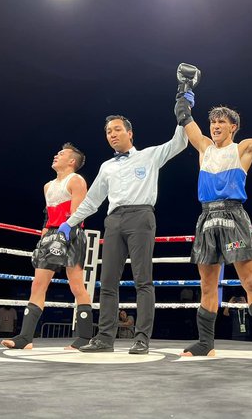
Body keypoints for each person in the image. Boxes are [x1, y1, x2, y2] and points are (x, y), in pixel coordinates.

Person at [177, 65, 252, 361]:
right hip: (206, 218)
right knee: (207, 285)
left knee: (249, 281)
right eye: (213, 121)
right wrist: (185, 88)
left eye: (221, 122)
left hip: (233, 217)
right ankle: (205, 343)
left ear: (233, 127)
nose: (215, 125)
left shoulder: (244, 149)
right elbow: (183, 117)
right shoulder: (203, 146)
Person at [58, 99, 189, 355]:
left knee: (143, 280)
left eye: (117, 129)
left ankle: (141, 339)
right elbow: (92, 201)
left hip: (141, 216)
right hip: (114, 220)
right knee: (107, 282)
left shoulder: (149, 155)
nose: (112, 134)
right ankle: (105, 338)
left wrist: (183, 113)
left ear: (130, 133)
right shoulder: (106, 167)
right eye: (108, 131)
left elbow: (179, 143)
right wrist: (69, 223)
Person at [2, 142, 94, 350]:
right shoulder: (48, 186)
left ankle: (85, 337)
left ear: (72, 161)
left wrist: (64, 235)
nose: (56, 155)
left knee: (76, 286)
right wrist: (43, 239)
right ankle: (25, 338)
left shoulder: (76, 180)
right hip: (51, 234)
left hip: (72, 233)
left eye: (61, 153)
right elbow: (48, 216)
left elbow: (78, 214)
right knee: (37, 285)